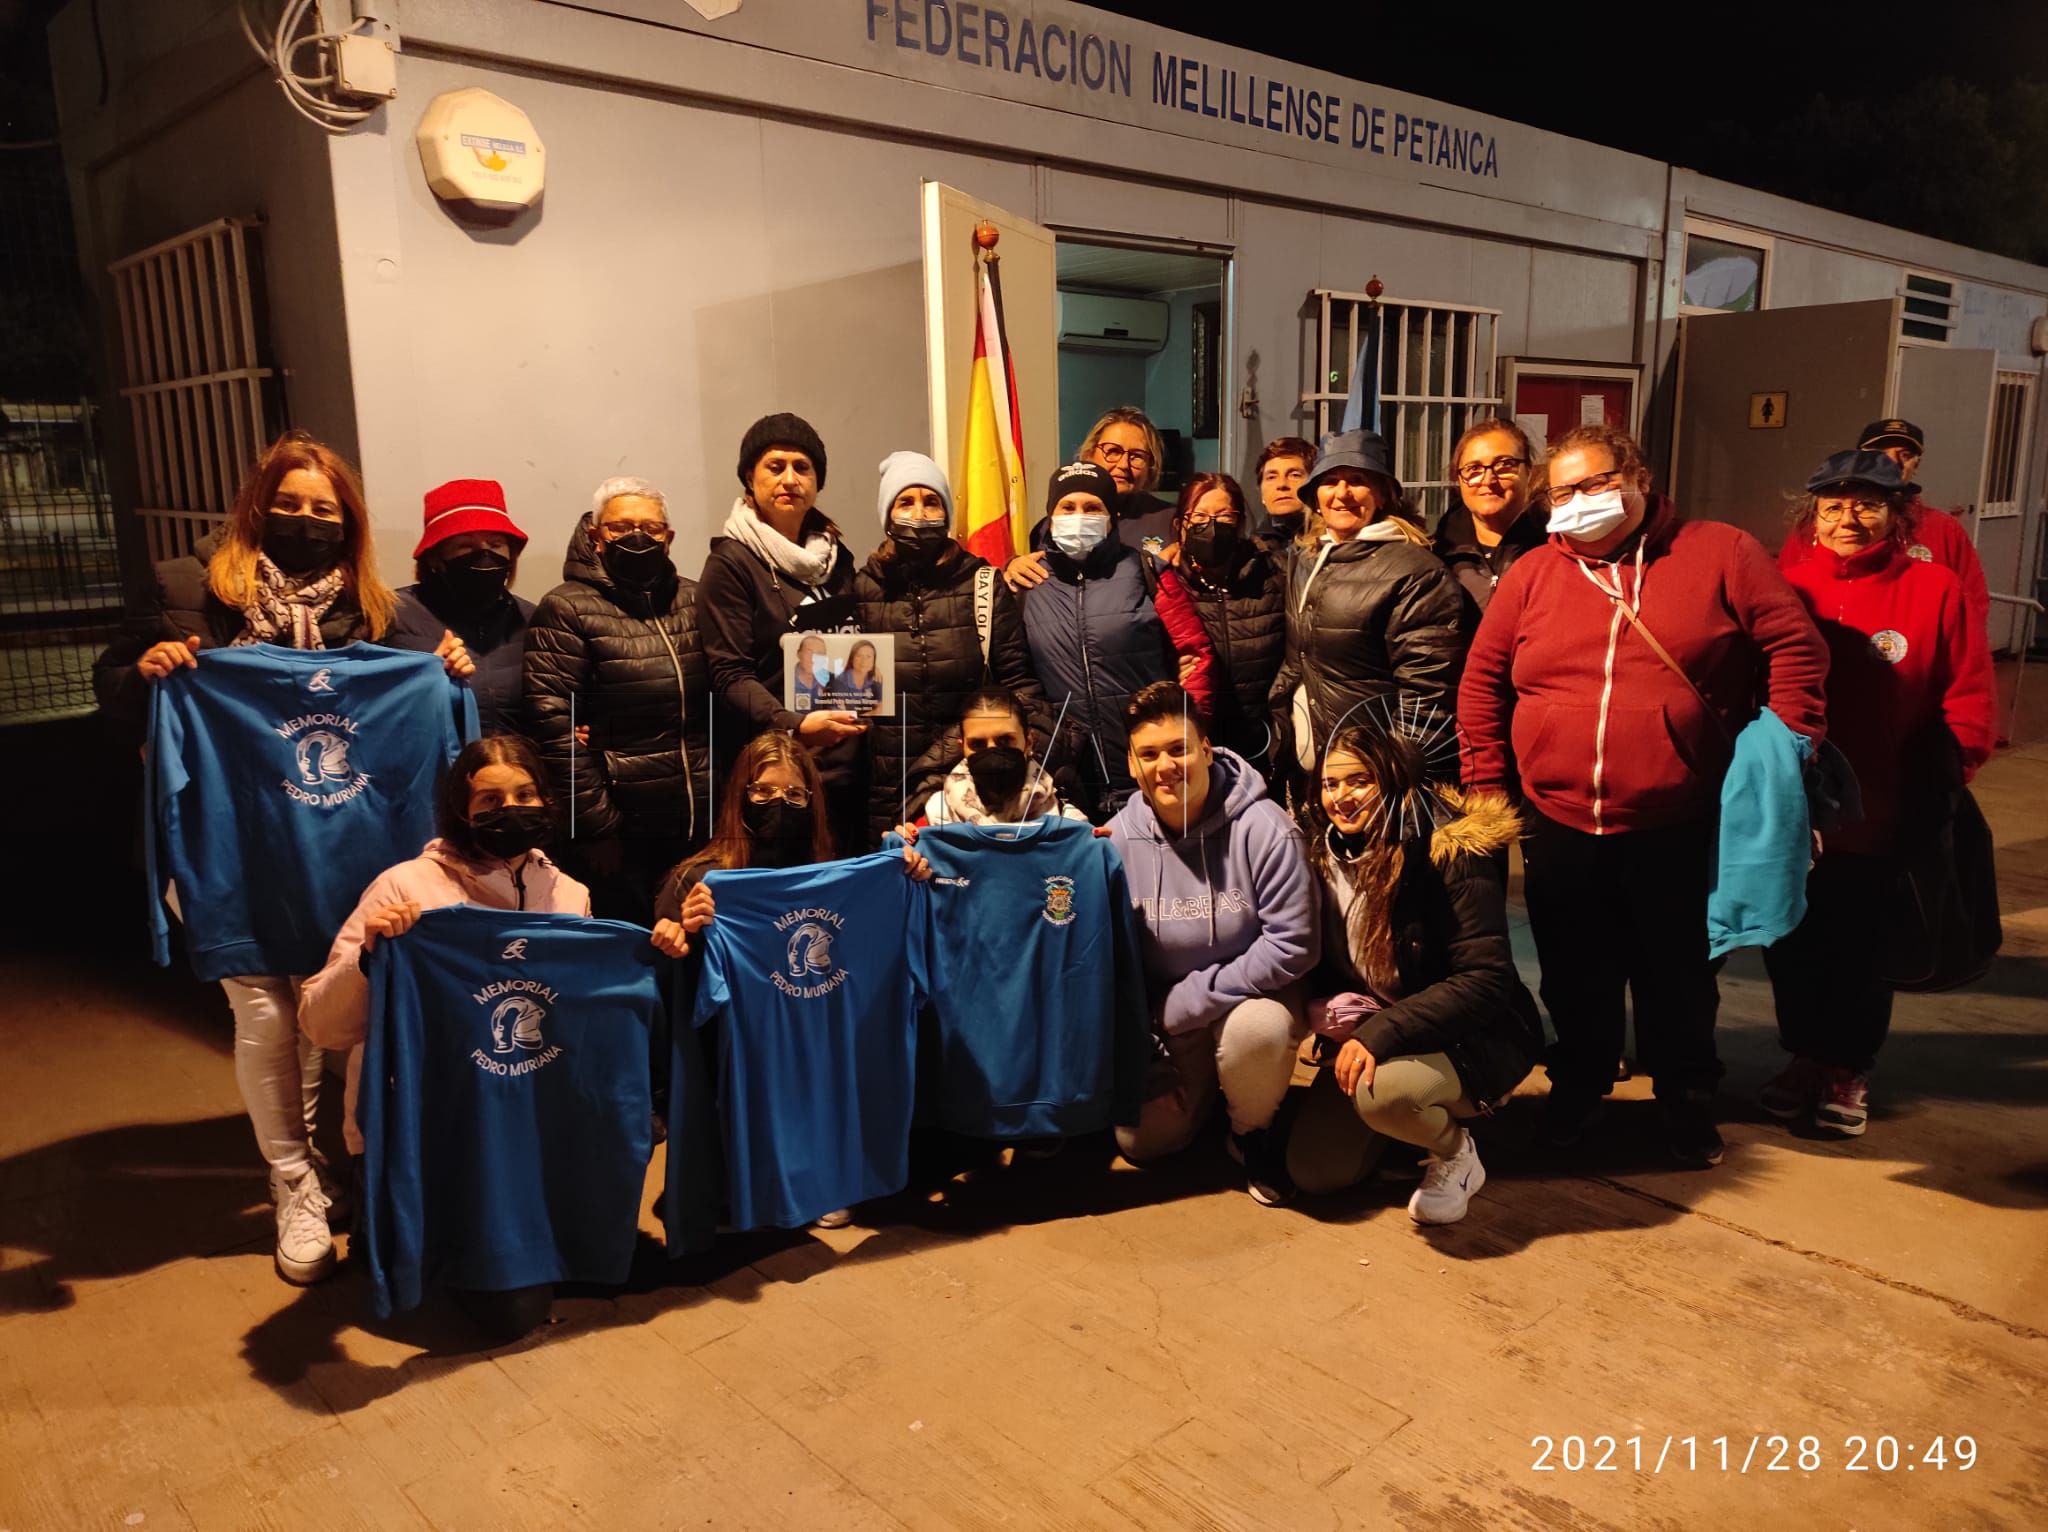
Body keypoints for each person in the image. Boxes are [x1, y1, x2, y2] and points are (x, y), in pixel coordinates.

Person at [91, 429, 472, 1286]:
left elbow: (429, 690)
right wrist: (145, 674)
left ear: (349, 522)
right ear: (256, 506)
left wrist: (448, 666)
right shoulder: (187, 588)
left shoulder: (379, 607)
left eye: (323, 510)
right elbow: (111, 687)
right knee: (265, 1012)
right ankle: (292, 1178)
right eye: (289, 504)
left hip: (343, 845)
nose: (304, 520)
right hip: (236, 840)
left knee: (326, 1009)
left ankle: (341, 1161)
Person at [1458, 423, 1829, 1168]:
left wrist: (1789, 750)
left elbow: (1796, 647)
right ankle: (1580, 1085)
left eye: (1594, 484)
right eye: (1563, 490)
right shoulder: (1534, 573)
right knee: (1573, 972)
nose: (1578, 501)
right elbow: (1481, 683)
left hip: (1678, 818)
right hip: (1559, 819)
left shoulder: (1719, 552)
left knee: (1679, 975)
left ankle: (1685, 1097)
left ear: (1636, 479)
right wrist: (1487, 789)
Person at [1762, 450, 1996, 1136]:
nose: (1848, 518)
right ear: (1812, 516)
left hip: (1887, 808)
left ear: (1898, 514)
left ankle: (1846, 1067)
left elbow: (1970, 695)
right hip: (1797, 811)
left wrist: (1950, 778)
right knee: (1793, 942)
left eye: (1866, 504)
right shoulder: (1787, 588)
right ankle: (1803, 1055)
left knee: (1864, 946)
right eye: (1833, 506)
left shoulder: (1936, 590)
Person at [650, 731, 930, 1229]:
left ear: (813, 801)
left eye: (795, 794)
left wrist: (904, 875)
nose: (780, 803)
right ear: (740, 796)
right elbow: (674, 994)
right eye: (763, 791)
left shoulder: (834, 873)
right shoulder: (699, 879)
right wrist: (686, 933)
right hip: (741, 1044)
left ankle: (823, 1177)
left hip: (817, 1032)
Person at [1286, 717, 1542, 1225]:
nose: (1342, 797)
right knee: (1315, 1173)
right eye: (1331, 784)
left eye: (1360, 780)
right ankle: (1405, 1129)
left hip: (1471, 1037)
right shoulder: (1326, 852)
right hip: (1382, 1031)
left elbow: (1484, 979)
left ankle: (1455, 1151)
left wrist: (1379, 1034)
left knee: (1385, 1096)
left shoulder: (1446, 850)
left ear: (1394, 778)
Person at [1106, 683, 1319, 1206]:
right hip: (1170, 1020)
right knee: (1142, 1144)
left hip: (1253, 999)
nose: (1166, 765)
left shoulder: (1267, 829)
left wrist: (1192, 1000)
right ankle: (1205, 1093)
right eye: (1149, 754)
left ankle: (1251, 1129)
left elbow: (1295, 944)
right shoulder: (1114, 841)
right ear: (1132, 766)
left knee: (1257, 1031)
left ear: (1206, 748)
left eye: (1179, 748)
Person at [524, 475, 711, 921]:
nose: (637, 537)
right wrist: (598, 826)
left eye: (650, 528)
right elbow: (552, 725)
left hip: (700, 820)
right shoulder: (566, 607)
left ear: (668, 539)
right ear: (595, 535)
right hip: (619, 833)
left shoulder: (695, 598)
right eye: (621, 527)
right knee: (632, 953)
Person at [851, 451, 1050, 840]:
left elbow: (1019, 686)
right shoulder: (861, 589)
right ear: (887, 513)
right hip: (888, 791)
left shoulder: (982, 586)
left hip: (975, 783)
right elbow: (850, 693)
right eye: (905, 502)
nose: (920, 514)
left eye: (931, 501)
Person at [698, 413, 870, 856]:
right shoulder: (731, 563)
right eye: (775, 467)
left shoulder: (838, 559)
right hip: (774, 775)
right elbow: (730, 673)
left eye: (802, 467)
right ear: (750, 478)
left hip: (844, 768)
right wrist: (794, 726)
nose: (790, 479)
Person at [1018, 461, 1216, 816]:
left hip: (1151, 775)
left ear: (1112, 516)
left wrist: (1185, 738)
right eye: (1068, 507)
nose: (1079, 516)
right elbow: (1015, 675)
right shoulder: (1027, 583)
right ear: (1049, 516)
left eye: (1093, 507)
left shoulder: (1147, 570)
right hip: (1065, 784)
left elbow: (1197, 654)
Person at [1269, 430, 1465, 785]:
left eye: (1357, 480)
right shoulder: (1307, 557)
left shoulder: (1415, 571)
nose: (1342, 493)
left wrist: (1397, 774)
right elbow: (1299, 659)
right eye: (1330, 481)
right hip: (1315, 776)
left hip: (1372, 779)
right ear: (1315, 495)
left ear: (1382, 493)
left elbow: (1427, 692)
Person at [1780, 418, 1991, 639]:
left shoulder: (1943, 528)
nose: (1893, 462)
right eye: (1880, 452)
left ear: (1916, 464)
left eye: (1905, 455)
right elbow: (1783, 594)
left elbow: (1973, 601)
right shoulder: (1818, 525)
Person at [1156, 472, 1286, 779]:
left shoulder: (1274, 574)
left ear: (1240, 522)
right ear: (1180, 525)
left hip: (1266, 747)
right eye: (1199, 516)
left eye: (1224, 516)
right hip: (1194, 748)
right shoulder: (1161, 585)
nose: (1212, 526)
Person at [384, 478, 535, 734]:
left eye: (496, 544)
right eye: (465, 546)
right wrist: (427, 673)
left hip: (516, 771)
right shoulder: (392, 616)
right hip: (435, 771)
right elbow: (373, 712)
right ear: (435, 557)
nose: (485, 554)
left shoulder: (532, 619)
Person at [1003, 405, 1173, 589]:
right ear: (1090, 454)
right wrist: (1014, 566)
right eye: (1113, 451)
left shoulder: (1170, 520)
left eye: (1136, 456)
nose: (1124, 464)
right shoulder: (1050, 526)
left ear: (1150, 465)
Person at [901, 685, 1089, 828]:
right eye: (977, 744)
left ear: (1029, 741)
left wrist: (1095, 851)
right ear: (962, 748)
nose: (992, 752)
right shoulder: (936, 817)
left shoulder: (1067, 822)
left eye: (1005, 740)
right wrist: (906, 857)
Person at [1434, 418, 1548, 617]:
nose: (1488, 480)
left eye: (1504, 465)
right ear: (1458, 479)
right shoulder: (1437, 555)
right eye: (1473, 469)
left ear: (1528, 470)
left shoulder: (1557, 547)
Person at [1251, 435, 1315, 554]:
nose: (1281, 484)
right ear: (1261, 494)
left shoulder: (1333, 544)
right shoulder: (1249, 554)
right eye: (1271, 477)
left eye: (1294, 475)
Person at [823, 639, 882, 708]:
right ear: (852, 658)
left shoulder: (876, 678)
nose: (864, 661)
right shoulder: (839, 682)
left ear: (874, 660)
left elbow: (879, 708)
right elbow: (842, 712)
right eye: (859, 656)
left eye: (868, 656)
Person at [791, 633, 833, 708]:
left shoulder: (833, 681)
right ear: (799, 654)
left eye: (819, 654)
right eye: (809, 652)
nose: (813, 658)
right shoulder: (786, 680)